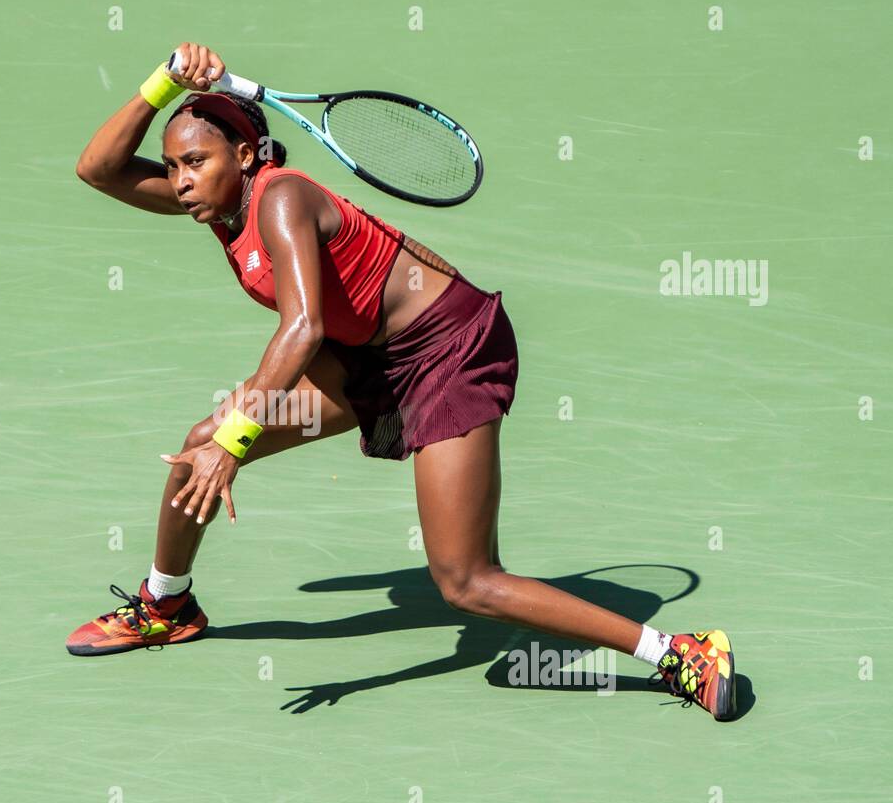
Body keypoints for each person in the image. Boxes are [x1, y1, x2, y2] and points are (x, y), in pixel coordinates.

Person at [69, 43, 737, 721]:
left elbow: (301, 330)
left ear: (244, 157)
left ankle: (680, 652)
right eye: (175, 164)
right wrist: (163, 82)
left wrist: (237, 442)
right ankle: (167, 604)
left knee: (468, 583)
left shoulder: (281, 200)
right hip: (365, 354)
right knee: (199, 445)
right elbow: (98, 169)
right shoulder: (218, 205)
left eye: (195, 162)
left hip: (450, 353)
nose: (180, 180)